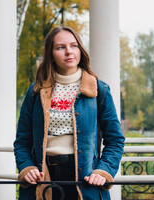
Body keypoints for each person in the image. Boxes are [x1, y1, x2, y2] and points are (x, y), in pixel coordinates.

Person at [13, 26, 125, 200]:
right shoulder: (35, 91)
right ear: (51, 53)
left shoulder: (99, 90)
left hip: (85, 181)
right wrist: (27, 167)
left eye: (74, 46)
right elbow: (22, 141)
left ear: (80, 49)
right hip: (43, 180)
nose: (69, 52)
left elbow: (115, 140)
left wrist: (103, 171)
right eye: (60, 47)